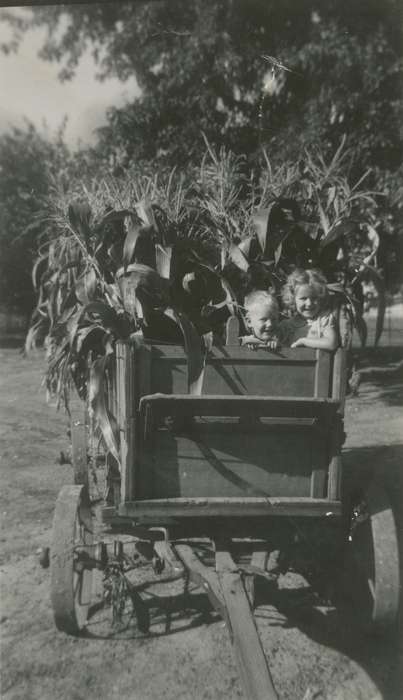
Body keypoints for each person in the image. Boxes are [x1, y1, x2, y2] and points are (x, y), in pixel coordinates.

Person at [278, 269, 338, 350]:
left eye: (314, 298)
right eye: (303, 298)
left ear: (321, 298)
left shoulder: (323, 321)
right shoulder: (286, 326)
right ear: (293, 299)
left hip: (320, 362)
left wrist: (304, 341)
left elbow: (331, 343)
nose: (309, 303)